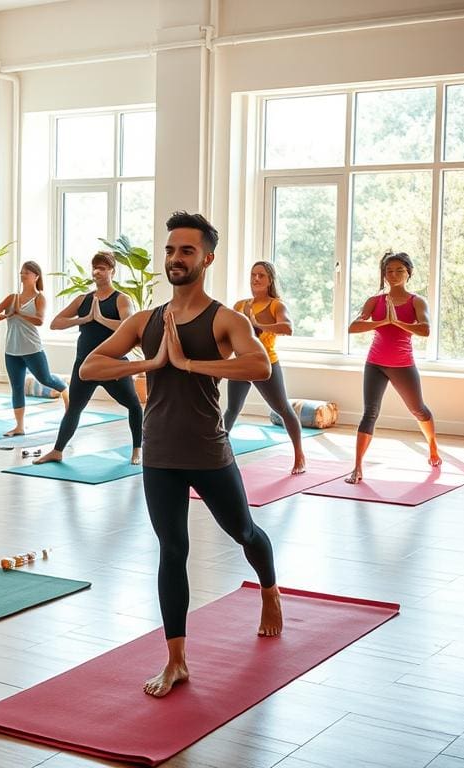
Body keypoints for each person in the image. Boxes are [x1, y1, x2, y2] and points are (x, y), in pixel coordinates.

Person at [81, 211, 283, 698]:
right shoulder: (146, 320)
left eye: (186, 250)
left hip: (209, 453)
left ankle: (271, 593)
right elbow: (90, 366)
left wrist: (189, 362)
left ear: (206, 258)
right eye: (170, 250)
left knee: (244, 531)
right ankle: (176, 661)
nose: (175, 258)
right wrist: (151, 362)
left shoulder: (226, 318)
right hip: (160, 456)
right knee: (173, 550)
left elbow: (257, 363)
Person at [33, 251, 143, 465]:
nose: (97, 272)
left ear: (112, 271)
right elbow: (55, 323)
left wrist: (100, 319)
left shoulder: (121, 299)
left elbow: (129, 326)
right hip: (85, 365)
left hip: (113, 364)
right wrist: (83, 319)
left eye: (102, 268)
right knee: (74, 407)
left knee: (134, 405)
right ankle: (57, 450)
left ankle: (137, 450)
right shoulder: (83, 299)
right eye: (95, 267)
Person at [346, 250, 439, 484]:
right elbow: (353, 327)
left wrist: (397, 321)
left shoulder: (416, 301)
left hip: (402, 365)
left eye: (399, 270)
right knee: (370, 412)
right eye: (389, 271)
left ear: (409, 273)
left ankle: (433, 447)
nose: (394, 274)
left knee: (418, 410)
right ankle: (357, 467)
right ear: (384, 275)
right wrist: (382, 321)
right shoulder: (374, 301)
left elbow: (425, 330)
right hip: (375, 363)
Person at [223, 261, 306, 474]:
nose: (256, 279)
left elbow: (288, 328)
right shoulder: (239, 305)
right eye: (253, 275)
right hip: (242, 362)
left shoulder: (276, 305)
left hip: (265, 362)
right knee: (232, 409)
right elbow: (229, 333)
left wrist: (258, 325)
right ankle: (218, 452)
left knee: (283, 409)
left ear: (270, 280)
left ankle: (299, 455)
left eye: (261, 275)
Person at [0, 260, 69, 436]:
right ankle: (19, 426)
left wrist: (19, 313)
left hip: (32, 349)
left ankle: (65, 389)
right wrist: (6, 315)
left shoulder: (39, 298)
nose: (23, 275)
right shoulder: (12, 298)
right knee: (16, 387)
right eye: (22, 272)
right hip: (12, 350)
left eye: (27, 272)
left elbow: (39, 320)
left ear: (36, 276)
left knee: (46, 379)